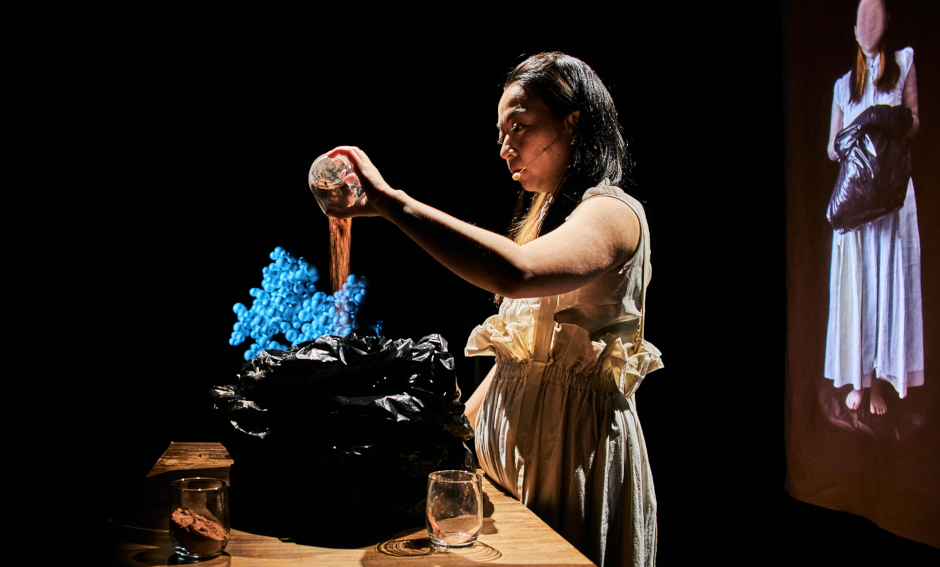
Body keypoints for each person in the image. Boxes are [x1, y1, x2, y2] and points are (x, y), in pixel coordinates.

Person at [325, 52, 661, 567]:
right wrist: (444, 436)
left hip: (574, 464)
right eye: (501, 131)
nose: (505, 148)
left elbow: (516, 273)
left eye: (520, 127)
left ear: (574, 123)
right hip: (512, 469)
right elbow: (518, 365)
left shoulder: (614, 212)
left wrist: (394, 204)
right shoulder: (546, 218)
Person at [824, 0, 923, 416]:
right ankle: (860, 384)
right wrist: (853, 136)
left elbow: (916, 121)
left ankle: (882, 383)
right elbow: (831, 148)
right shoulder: (844, 86)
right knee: (860, 287)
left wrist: (889, 119)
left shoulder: (902, 64)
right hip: (857, 203)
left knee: (889, 285)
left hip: (893, 197)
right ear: (854, 30)